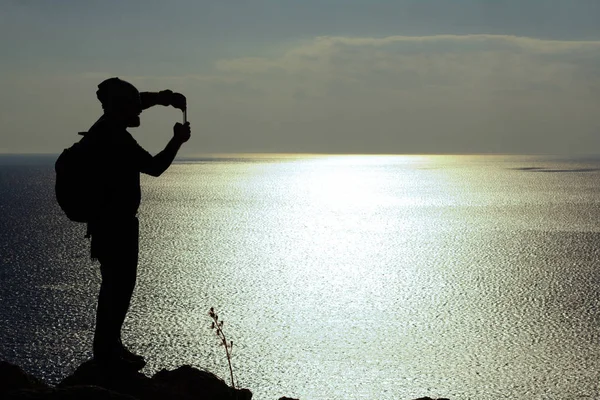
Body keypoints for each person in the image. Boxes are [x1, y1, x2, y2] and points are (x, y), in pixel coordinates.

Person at [84, 77, 191, 369]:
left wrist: (165, 98)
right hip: (116, 226)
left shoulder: (105, 125)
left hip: (108, 223)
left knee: (116, 286)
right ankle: (107, 351)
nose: (139, 110)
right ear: (121, 108)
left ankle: (111, 345)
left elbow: (139, 101)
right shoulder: (116, 139)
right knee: (118, 288)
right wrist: (177, 141)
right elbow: (155, 167)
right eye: (133, 106)